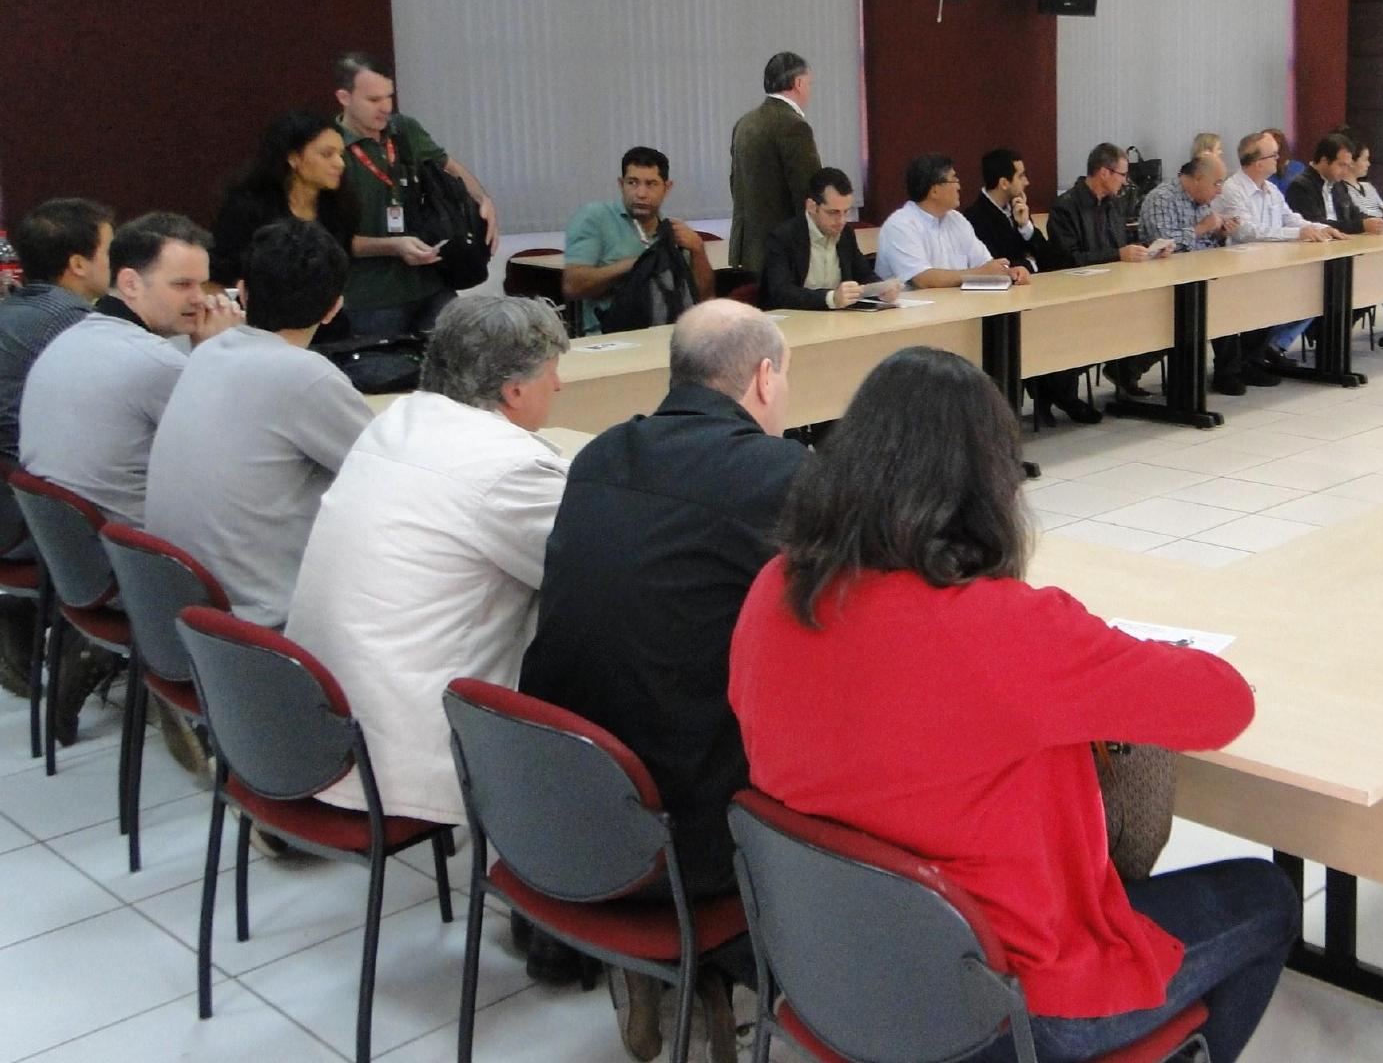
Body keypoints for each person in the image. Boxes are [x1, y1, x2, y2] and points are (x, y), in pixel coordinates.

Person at [730, 347, 1300, 1063]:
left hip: (834, 969)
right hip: (1005, 1003)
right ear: (988, 489)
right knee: (1266, 895)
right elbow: (1224, 704)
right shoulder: (1003, 630)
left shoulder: (775, 591)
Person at [523, 301, 802, 1055]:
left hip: (561, 799)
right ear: (765, 378)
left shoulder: (601, 454)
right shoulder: (777, 474)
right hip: (685, 829)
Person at [285, 296, 569, 824]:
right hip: (406, 744)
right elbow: (584, 571)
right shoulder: (507, 470)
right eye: (552, 371)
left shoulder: (396, 423)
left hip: (323, 718)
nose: (559, 385)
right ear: (513, 390)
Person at [145, 222, 369, 627]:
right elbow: (387, 472)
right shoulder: (304, 375)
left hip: (179, 606)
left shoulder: (207, 353)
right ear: (334, 308)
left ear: (243, 292)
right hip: (260, 619)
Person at [19, 213, 241, 527]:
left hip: (77, 544)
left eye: (202, 284)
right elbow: (235, 459)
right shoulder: (157, 363)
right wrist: (220, 354)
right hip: (144, 547)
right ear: (130, 284)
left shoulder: (69, 339)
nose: (199, 299)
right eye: (182, 285)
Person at [0, 198, 113, 701]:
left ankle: (33, 616)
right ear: (79, 264)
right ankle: (89, 643)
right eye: (111, 249)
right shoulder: (74, 323)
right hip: (33, 517)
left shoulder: (14, 309)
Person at [332, 50, 500, 340]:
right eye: (374, 100)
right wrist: (393, 246)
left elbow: (449, 166)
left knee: (464, 352)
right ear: (344, 97)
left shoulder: (404, 130)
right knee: (384, 367)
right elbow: (332, 240)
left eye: (389, 97)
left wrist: (483, 201)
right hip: (371, 299)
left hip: (432, 283)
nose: (385, 107)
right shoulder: (330, 148)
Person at [966, 148, 1097, 427]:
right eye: (1021, 176)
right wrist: (1029, 262)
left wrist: (1026, 227)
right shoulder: (975, 218)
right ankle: (1050, 395)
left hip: (1031, 294)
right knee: (1042, 330)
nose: (1027, 182)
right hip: (998, 304)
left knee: (1071, 319)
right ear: (1004, 182)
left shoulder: (1017, 211)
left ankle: (1056, 394)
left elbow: (1051, 259)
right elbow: (1001, 265)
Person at [1139, 154, 1268, 397]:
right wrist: (1203, 228)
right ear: (1197, 179)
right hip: (1167, 280)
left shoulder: (1202, 200)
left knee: (1245, 294)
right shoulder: (1162, 198)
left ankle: (1240, 367)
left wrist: (1219, 233)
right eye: (1217, 183)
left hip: (1201, 273)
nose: (1220, 191)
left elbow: (1204, 242)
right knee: (1214, 303)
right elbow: (1162, 245)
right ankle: (1223, 374)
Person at [562, 146, 715, 334]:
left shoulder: (671, 232)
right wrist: (638, 265)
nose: (641, 193)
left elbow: (704, 298)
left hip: (667, 331)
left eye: (651, 184)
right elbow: (573, 285)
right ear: (621, 184)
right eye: (632, 182)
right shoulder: (596, 217)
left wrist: (698, 250)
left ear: (666, 188)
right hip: (610, 335)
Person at [1216, 130, 1335, 366]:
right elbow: (1247, 231)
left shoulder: (1270, 188)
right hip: (1241, 267)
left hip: (1271, 262)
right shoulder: (1233, 189)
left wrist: (1322, 228)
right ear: (1258, 163)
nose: (1278, 159)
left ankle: (1259, 357)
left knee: (1310, 291)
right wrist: (1297, 234)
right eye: (1273, 155)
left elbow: (1290, 218)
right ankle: (1247, 363)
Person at [1047, 144, 1155, 398]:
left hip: (1114, 287)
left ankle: (1126, 371)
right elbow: (1069, 259)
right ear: (1104, 173)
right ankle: (1059, 391)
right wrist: (1118, 255)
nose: (1125, 181)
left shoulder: (1112, 204)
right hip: (1077, 293)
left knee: (1159, 314)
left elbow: (1120, 245)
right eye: (1122, 174)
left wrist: (1148, 250)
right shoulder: (1065, 207)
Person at [211, 112, 357, 293]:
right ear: (293, 157)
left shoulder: (341, 208)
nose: (340, 163)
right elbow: (222, 273)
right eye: (327, 154)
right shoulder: (248, 208)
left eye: (341, 154)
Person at [874, 153, 1030, 290]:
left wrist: (1009, 272)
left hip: (958, 306)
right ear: (935, 190)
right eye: (954, 179)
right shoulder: (900, 225)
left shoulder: (957, 219)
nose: (959, 186)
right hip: (913, 311)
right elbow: (923, 279)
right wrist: (979, 273)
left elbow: (984, 264)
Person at [727, 51, 821, 275]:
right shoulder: (794, 126)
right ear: (798, 83)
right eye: (809, 83)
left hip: (748, 248)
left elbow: (735, 183)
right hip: (783, 249)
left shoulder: (744, 123)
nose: (810, 90)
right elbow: (807, 192)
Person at [759, 167, 895, 312]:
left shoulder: (846, 234)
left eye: (846, 212)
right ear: (811, 206)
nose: (841, 221)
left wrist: (881, 289)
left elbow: (864, 274)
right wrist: (831, 298)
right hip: (794, 318)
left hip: (837, 318)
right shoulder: (783, 237)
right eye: (833, 212)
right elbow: (781, 292)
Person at [1286, 133, 1383, 236]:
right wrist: (1361, 226)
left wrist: (1379, 222)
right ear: (1324, 161)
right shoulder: (1301, 186)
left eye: (1348, 166)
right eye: (1342, 165)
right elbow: (1315, 223)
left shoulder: (1338, 184)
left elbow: (1354, 214)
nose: (1345, 171)